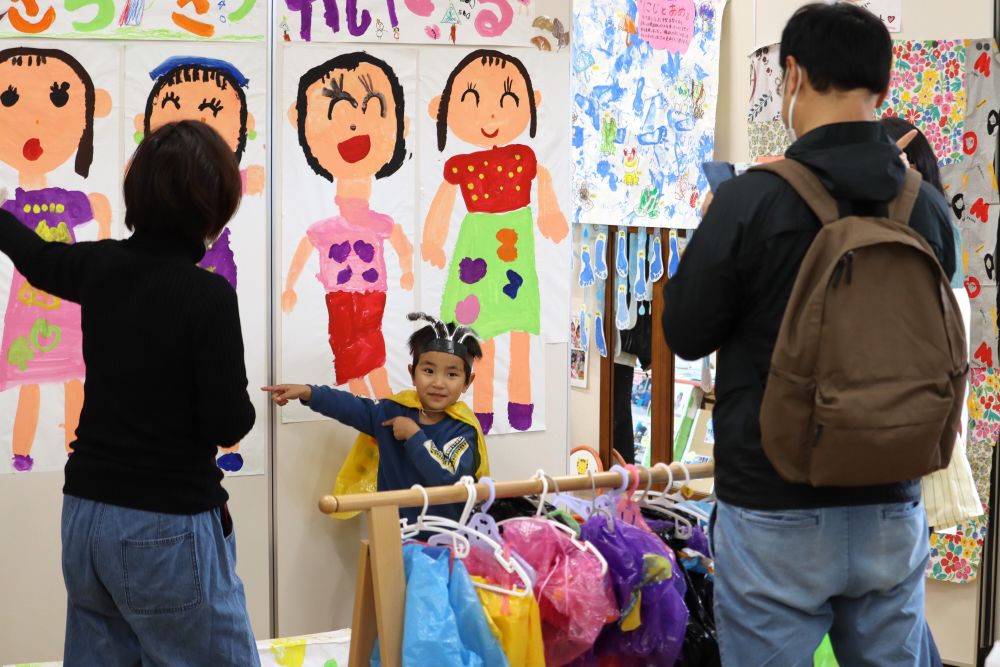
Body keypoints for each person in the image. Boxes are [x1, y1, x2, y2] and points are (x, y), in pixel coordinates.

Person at [662, 4, 955, 664]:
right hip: (892, 503)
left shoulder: (751, 200)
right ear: (882, 88)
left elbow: (685, 331)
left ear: (792, 75)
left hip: (773, 504)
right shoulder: (925, 209)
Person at [0, 120, 258, 665]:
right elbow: (227, 423)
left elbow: (37, 258)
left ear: (136, 192)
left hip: (85, 519)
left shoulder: (100, 266)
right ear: (215, 206)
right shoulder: (207, 296)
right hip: (163, 524)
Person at [423, 49, 569, 433]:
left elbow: (546, 182)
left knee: (520, 331)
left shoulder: (525, 157)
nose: (490, 115)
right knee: (477, 334)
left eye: (507, 101)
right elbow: (443, 200)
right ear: (443, 107)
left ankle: (521, 404)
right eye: (472, 101)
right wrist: (433, 240)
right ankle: (482, 409)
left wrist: (550, 213)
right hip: (477, 247)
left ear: (531, 103)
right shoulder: (460, 165)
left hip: (515, 248)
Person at [263, 312, 490, 524]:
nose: (438, 383)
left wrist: (414, 436)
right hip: (392, 534)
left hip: (447, 540)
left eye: (452, 374)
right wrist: (308, 392)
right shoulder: (393, 411)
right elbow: (351, 406)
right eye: (429, 371)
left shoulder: (463, 430)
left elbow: (449, 480)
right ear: (412, 373)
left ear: (467, 382)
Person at [0, 46, 113, 471]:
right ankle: (22, 452)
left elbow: (100, 206)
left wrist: (103, 240)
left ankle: (74, 447)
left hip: (69, 307)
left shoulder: (67, 200)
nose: (34, 121)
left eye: (58, 99)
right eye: (9, 99)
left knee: (73, 378)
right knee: (31, 382)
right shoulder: (10, 206)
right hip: (28, 309)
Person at [281, 52, 414, 400]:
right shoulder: (326, 227)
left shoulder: (378, 222)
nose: (354, 124)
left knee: (370, 354)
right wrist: (291, 284)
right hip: (338, 295)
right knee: (347, 356)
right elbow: (304, 248)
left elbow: (400, 241)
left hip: (371, 294)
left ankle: (384, 410)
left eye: (369, 108)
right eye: (339, 112)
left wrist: (408, 269)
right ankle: (371, 415)